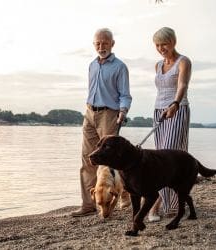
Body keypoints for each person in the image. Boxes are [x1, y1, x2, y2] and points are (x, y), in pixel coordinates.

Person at [71, 28, 132, 217]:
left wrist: (122, 112)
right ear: (94, 44)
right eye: (97, 43)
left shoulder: (120, 67)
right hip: (89, 113)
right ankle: (89, 204)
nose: (101, 46)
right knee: (87, 159)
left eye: (105, 43)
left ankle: (124, 195)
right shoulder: (92, 65)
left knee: (111, 161)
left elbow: (125, 95)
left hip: (109, 114)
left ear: (112, 44)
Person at [147, 27, 192, 222]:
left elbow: (182, 85)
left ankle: (155, 206)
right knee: (160, 157)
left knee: (169, 156)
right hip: (159, 112)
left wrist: (175, 103)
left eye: (164, 44)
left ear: (173, 41)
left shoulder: (184, 61)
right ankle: (171, 204)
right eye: (157, 45)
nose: (161, 48)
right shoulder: (157, 65)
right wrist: (162, 109)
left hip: (177, 109)